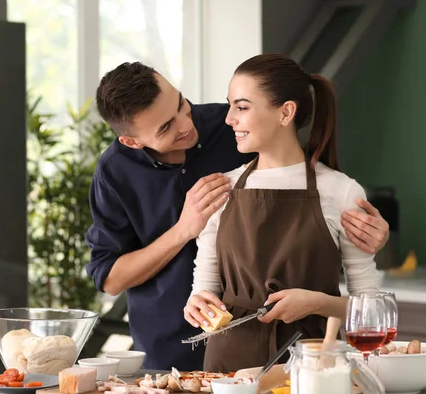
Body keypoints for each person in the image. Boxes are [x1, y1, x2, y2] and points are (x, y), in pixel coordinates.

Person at [85, 61, 389, 371]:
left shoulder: (234, 126)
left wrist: (369, 232)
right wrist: (183, 232)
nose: (186, 125)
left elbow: (305, 177)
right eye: (166, 127)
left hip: (307, 356)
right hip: (177, 348)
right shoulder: (115, 172)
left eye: (181, 105)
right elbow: (109, 278)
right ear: (133, 141)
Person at [183, 53, 382, 372]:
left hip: (312, 366)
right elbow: (205, 289)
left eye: (242, 107)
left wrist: (316, 303)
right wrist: (198, 304)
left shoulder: (341, 192)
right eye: (231, 105)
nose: (229, 118)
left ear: (286, 112)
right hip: (228, 369)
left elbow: (371, 312)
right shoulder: (222, 189)